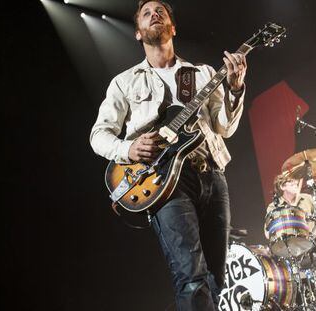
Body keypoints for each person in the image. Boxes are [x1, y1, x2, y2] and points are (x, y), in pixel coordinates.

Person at [89, 1, 247, 310]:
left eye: (160, 11)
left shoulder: (201, 74)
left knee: (216, 278)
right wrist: (128, 148)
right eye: (147, 13)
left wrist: (236, 89)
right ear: (138, 33)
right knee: (191, 275)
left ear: (172, 27)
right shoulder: (124, 82)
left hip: (212, 175)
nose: (154, 15)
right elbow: (98, 134)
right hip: (164, 180)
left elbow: (225, 128)